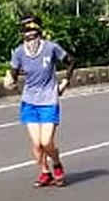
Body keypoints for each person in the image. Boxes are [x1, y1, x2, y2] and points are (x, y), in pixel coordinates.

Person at [4, 16, 75, 188]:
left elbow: (70, 61)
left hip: (49, 99)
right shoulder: (19, 52)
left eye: (33, 32)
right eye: (27, 33)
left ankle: (56, 162)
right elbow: (12, 75)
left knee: (46, 142)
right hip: (29, 100)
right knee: (36, 143)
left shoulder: (51, 48)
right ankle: (45, 172)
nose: (30, 36)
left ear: (39, 32)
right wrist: (9, 80)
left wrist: (65, 81)